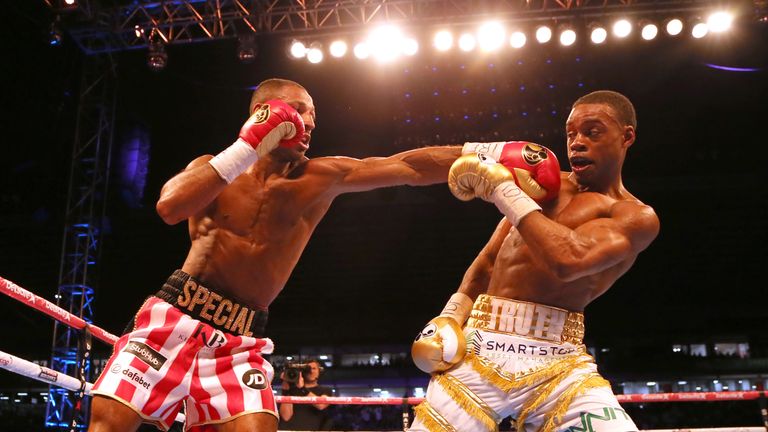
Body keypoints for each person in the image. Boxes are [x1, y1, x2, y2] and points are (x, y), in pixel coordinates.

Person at [87, 78, 462, 432]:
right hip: (172, 319)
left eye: (314, 114)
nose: (310, 122)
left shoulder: (319, 177)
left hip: (239, 341)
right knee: (108, 424)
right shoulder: (211, 169)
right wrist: (247, 145)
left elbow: (408, 167)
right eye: (300, 111)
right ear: (266, 113)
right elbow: (169, 207)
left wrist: (489, 155)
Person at [410, 90, 660, 432]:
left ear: (627, 136)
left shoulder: (636, 216)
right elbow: (487, 262)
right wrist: (451, 316)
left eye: (593, 131)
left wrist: (503, 190)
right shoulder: (544, 187)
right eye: (571, 133)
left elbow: (570, 259)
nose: (577, 143)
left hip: (559, 362)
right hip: (481, 345)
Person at [278, 359, 333, 430]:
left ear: (319, 372)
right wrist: (286, 387)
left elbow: (321, 405)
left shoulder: (326, 390)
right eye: (308, 368)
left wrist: (302, 389)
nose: (311, 371)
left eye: (314, 368)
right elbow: (286, 416)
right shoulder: (292, 390)